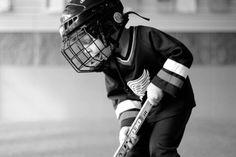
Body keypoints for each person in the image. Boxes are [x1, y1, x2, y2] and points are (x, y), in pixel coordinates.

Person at [59, 0, 196, 156]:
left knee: (160, 150)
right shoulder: (109, 63)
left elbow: (181, 54)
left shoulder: (146, 36)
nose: (86, 49)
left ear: (105, 25)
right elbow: (121, 96)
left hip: (173, 104)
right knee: (134, 152)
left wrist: (159, 84)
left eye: (86, 41)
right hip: (145, 111)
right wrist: (127, 127)